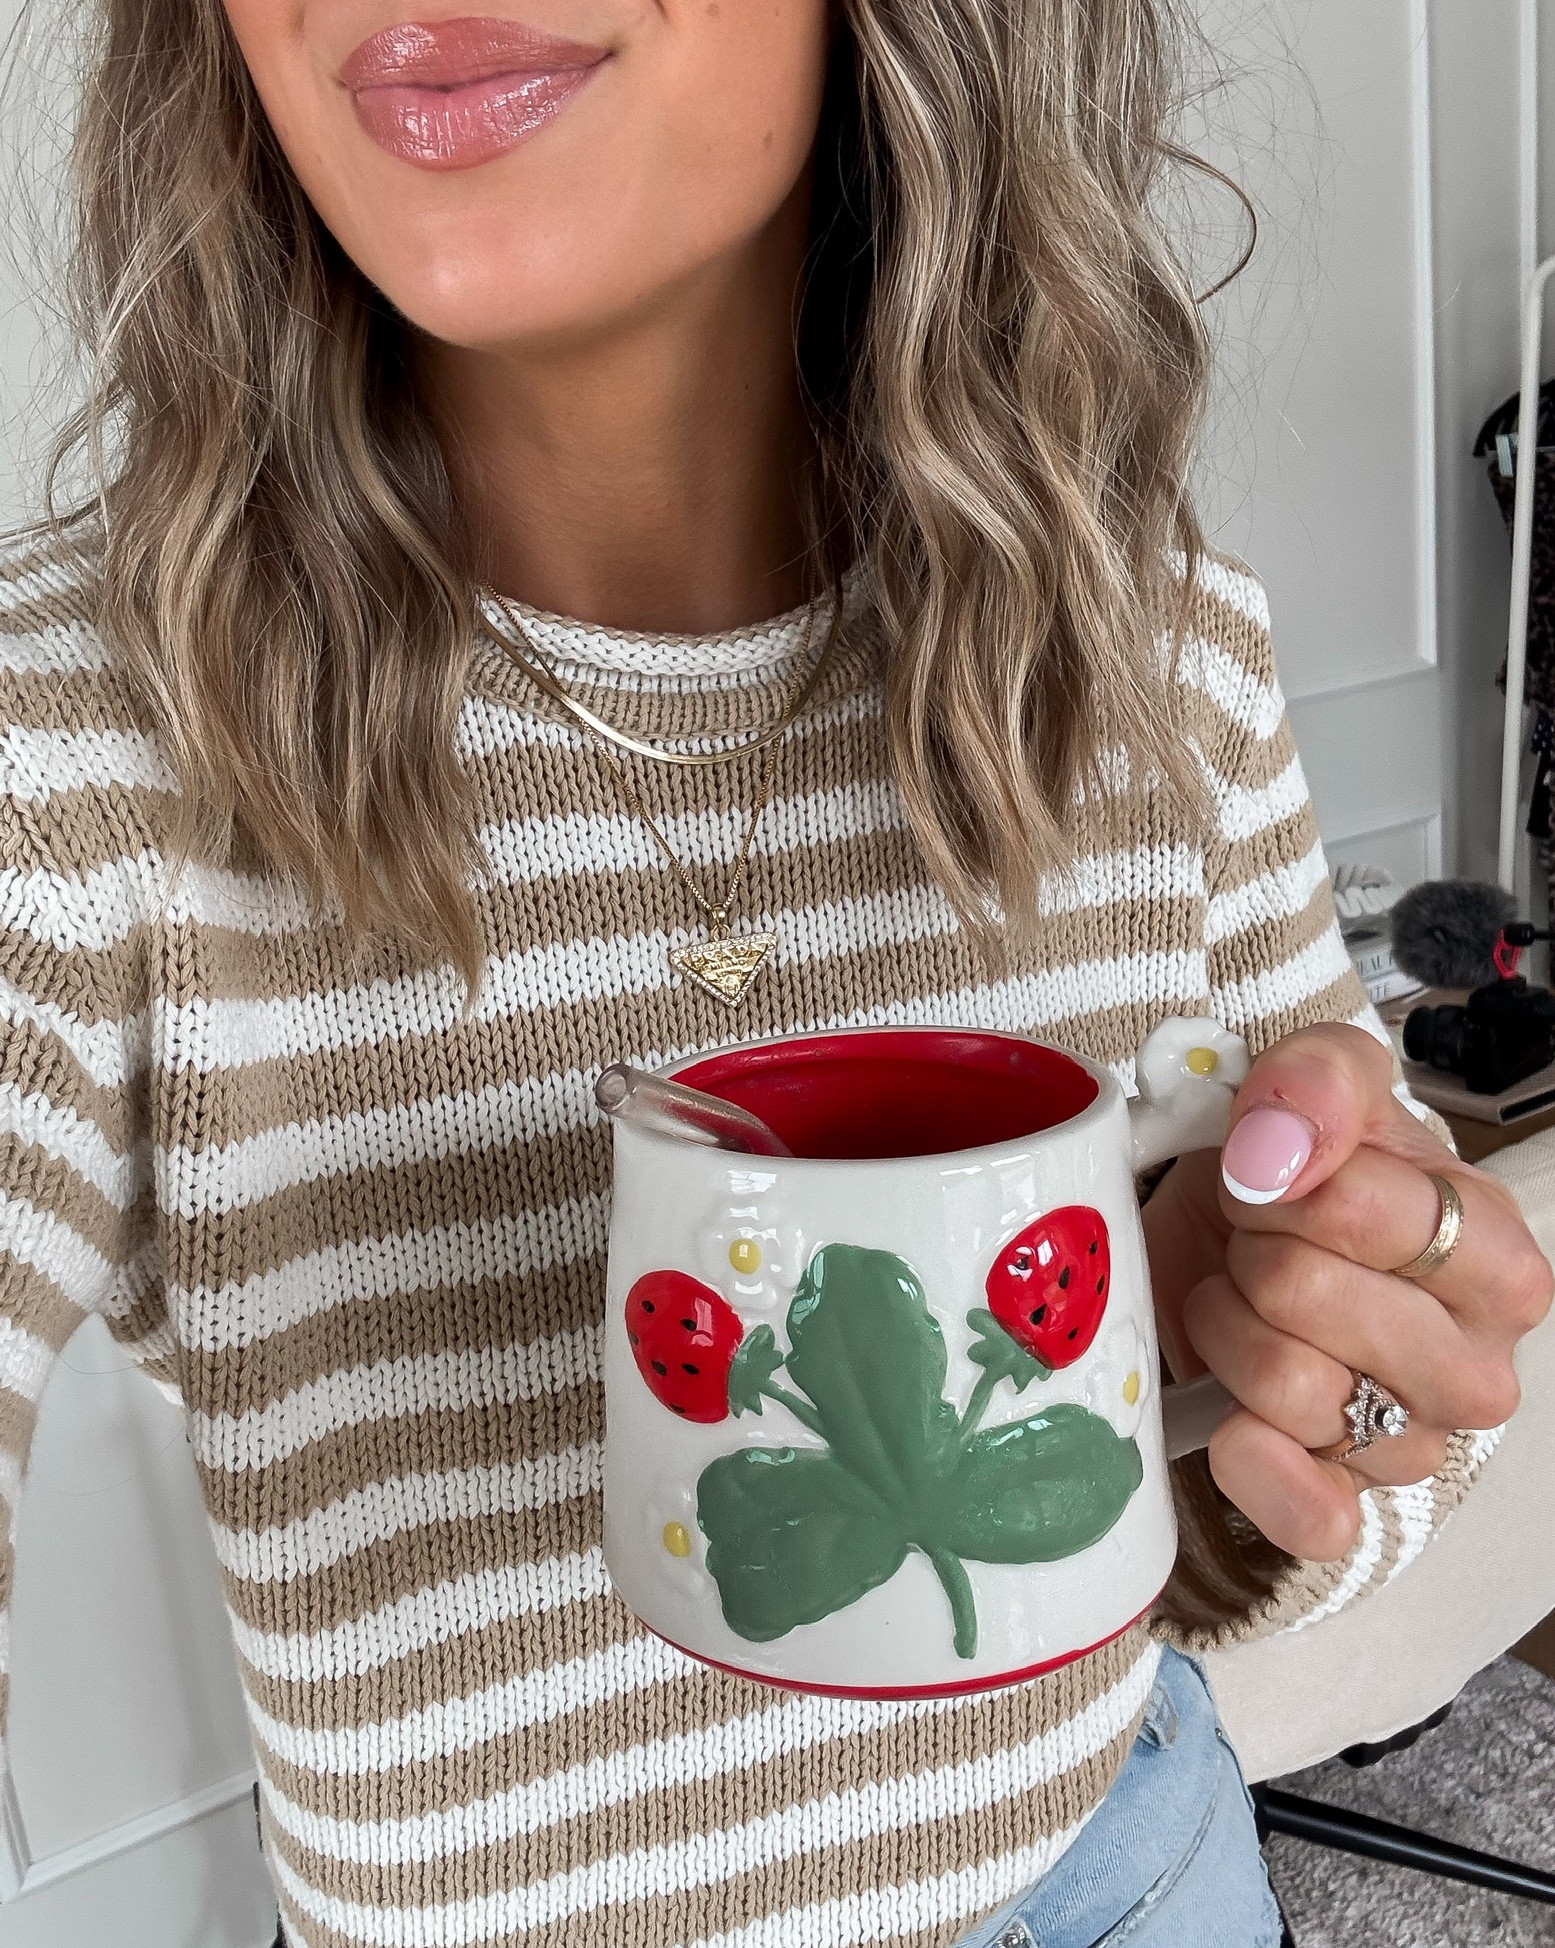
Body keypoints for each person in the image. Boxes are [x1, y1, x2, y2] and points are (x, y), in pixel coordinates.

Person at [0, 0, 1547, 1943]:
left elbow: (1344, 1372)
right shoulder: (70, 758)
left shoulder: (1159, 657)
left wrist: (1324, 1380)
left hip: (1125, 1861)